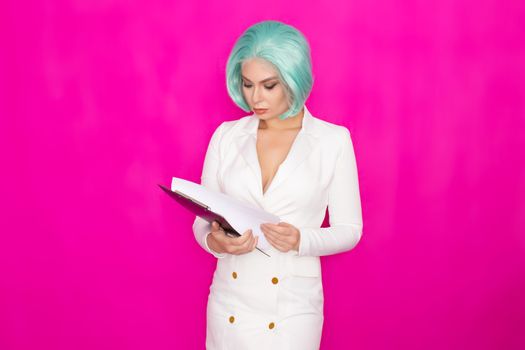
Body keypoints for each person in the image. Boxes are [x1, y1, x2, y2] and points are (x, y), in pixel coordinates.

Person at [192, 20, 363, 350]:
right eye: (247, 84)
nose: (255, 97)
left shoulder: (333, 141)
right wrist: (215, 242)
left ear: (293, 80)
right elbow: (202, 220)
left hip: (291, 310)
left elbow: (350, 229)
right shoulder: (226, 136)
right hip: (230, 304)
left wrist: (301, 239)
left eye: (269, 85)